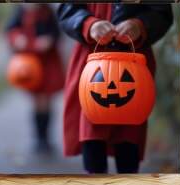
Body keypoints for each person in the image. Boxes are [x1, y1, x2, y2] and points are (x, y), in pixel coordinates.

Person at [57, 3, 173, 173]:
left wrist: (140, 25)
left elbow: (162, 13)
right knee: (92, 131)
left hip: (134, 64)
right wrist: (89, 24)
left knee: (128, 136)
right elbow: (67, 10)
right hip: (92, 65)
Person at [6, 4, 64, 150]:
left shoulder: (48, 11)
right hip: (29, 63)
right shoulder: (20, 10)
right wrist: (17, 38)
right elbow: (10, 30)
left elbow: (56, 32)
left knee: (46, 100)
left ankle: (46, 138)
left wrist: (48, 40)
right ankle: (39, 138)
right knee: (36, 101)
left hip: (47, 62)